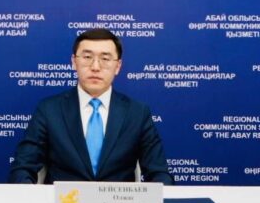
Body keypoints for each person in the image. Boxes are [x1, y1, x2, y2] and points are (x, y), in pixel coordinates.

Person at [9, 28, 173, 185]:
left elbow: (159, 172)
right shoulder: (49, 110)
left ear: (118, 66)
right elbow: (23, 167)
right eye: (87, 57)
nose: (95, 67)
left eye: (105, 59)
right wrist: (28, 195)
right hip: (66, 202)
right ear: (74, 62)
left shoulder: (137, 113)